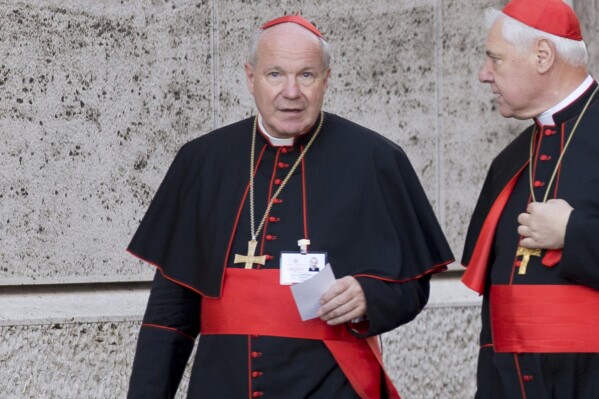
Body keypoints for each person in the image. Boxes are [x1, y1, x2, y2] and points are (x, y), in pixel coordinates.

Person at [127, 14, 453, 399]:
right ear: (251, 78)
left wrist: (369, 297)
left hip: (330, 386)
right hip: (221, 385)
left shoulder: (374, 160)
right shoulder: (203, 161)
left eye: (306, 75)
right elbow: (170, 317)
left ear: (326, 80)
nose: (291, 92)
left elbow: (412, 284)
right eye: (276, 74)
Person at [461, 0, 599, 397]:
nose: (484, 74)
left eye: (496, 59)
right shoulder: (508, 163)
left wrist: (573, 234)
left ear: (542, 56)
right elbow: (497, 321)